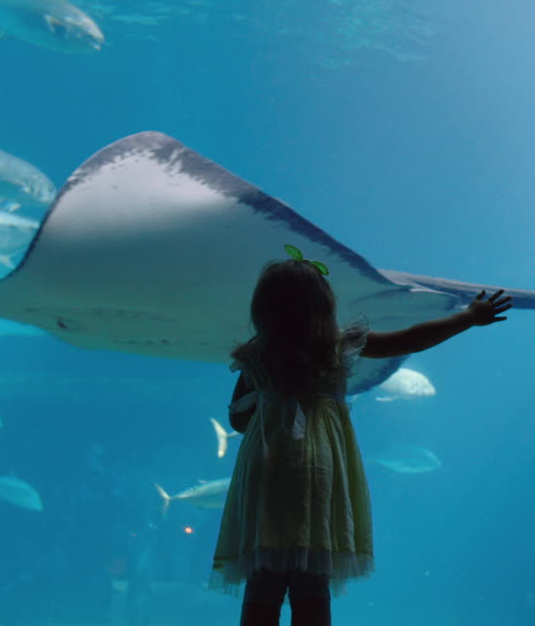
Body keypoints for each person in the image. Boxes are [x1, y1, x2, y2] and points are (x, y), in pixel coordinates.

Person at [210, 251, 512, 626]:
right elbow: (410, 340)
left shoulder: (255, 356)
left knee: (264, 576)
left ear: (263, 310)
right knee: (312, 577)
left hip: (266, 468)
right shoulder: (337, 346)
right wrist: (466, 318)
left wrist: (271, 404)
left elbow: (238, 420)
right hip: (319, 469)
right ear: (324, 306)